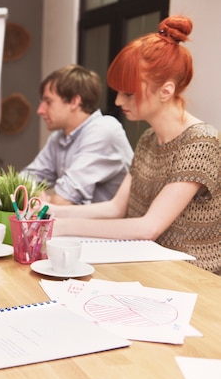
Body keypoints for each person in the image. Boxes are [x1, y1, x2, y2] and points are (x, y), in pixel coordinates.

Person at [50, 15, 221, 274]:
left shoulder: (201, 143)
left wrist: (61, 226)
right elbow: (117, 208)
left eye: (128, 93)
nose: (118, 101)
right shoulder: (148, 140)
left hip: (193, 279)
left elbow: (148, 227)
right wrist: (52, 212)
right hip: (150, 266)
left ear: (165, 91)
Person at [22, 64, 134, 205]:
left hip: (114, 226)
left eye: (48, 102)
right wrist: (34, 190)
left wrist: (40, 198)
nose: (40, 110)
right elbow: (22, 180)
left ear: (74, 102)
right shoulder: (58, 138)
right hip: (82, 225)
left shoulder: (104, 130)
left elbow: (62, 202)